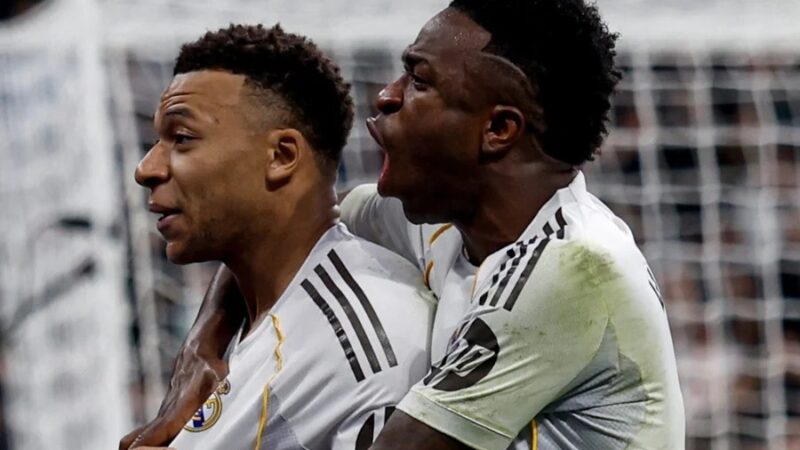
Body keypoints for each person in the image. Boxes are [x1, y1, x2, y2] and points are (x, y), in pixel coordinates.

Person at [125, 0, 686, 449]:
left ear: (498, 130)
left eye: (419, 80)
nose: (387, 95)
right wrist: (204, 344)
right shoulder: (448, 223)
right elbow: (278, 222)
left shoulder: (571, 267)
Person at [124, 24, 434, 450]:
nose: (146, 169)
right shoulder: (261, 311)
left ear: (281, 156)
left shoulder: (363, 350)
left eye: (182, 138)